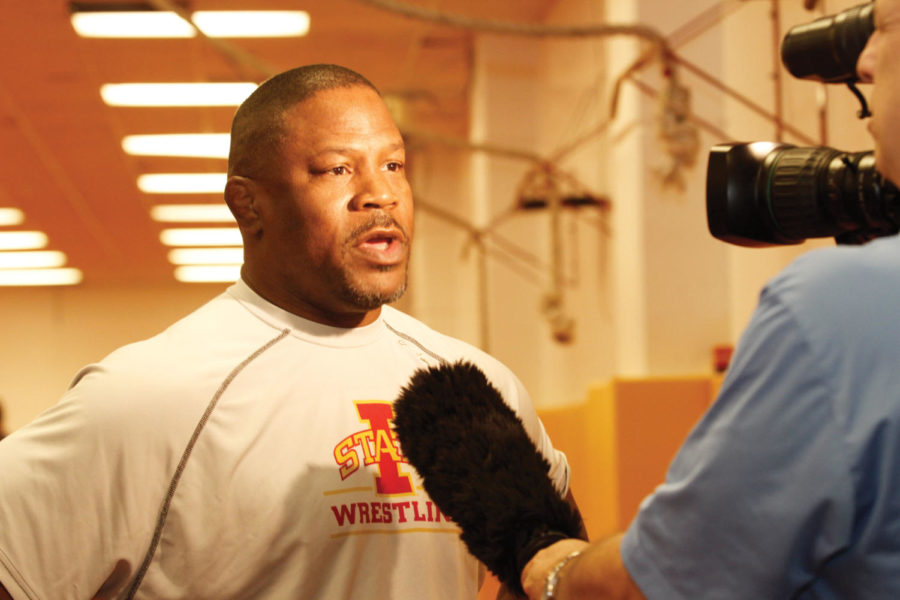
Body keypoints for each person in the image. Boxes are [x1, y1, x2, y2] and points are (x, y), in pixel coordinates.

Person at [0, 64, 577, 600]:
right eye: (337, 169)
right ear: (247, 206)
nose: (380, 194)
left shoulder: (479, 387)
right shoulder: (149, 397)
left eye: (394, 165)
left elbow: (552, 565)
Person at [520, 0, 900, 598]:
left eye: (883, 29)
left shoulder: (834, 312)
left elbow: (663, 581)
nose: (867, 62)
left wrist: (554, 570)